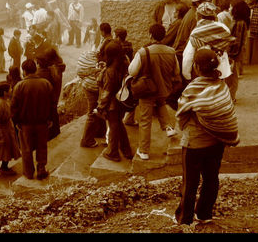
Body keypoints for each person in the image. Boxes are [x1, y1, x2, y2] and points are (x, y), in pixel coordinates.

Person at [174, 48, 239, 225]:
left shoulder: (192, 89)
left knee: (190, 183)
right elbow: (226, 112)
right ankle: (204, 213)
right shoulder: (222, 86)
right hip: (217, 143)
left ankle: (185, 219)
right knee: (211, 178)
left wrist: (188, 128)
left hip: (194, 144)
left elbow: (182, 115)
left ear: (195, 66)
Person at [128, 24, 181, 161]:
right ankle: (168, 127)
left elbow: (132, 71)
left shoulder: (143, 52)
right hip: (164, 88)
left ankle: (144, 151)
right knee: (161, 103)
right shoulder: (171, 51)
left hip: (147, 90)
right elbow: (176, 72)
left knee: (145, 120)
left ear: (150, 35)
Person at [10, 59, 53, 180]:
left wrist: (16, 121)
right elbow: (52, 103)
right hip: (42, 123)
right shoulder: (46, 83)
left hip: (25, 124)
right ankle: (41, 169)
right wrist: (49, 118)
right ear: (35, 69)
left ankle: (28, 173)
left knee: (26, 149)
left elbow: (14, 107)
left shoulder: (19, 86)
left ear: (24, 71)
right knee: (42, 146)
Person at [95, 41, 133, 162]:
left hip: (112, 105)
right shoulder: (124, 64)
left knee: (113, 126)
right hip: (121, 101)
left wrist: (100, 106)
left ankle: (113, 152)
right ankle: (126, 150)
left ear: (109, 55)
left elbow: (107, 92)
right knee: (119, 125)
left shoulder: (110, 71)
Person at [182, 2, 235, 84]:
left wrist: (186, 74)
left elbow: (188, 56)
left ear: (198, 16)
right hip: (222, 70)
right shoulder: (223, 28)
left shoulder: (196, 33)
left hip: (204, 73)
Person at [172, 0, 213, 68]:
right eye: (205, 2)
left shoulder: (192, 12)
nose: (207, 4)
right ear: (198, 3)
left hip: (182, 52)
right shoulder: (195, 16)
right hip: (184, 53)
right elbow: (193, 40)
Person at [35, 47, 66, 141]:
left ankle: (51, 134)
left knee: (49, 115)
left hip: (50, 96)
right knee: (53, 113)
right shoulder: (57, 66)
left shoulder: (50, 71)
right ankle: (55, 132)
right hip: (55, 94)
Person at [225, 0, 251, 103]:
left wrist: (231, 56)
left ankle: (231, 97)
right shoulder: (239, 22)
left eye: (231, 7)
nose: (229, 9)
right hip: (234, 53)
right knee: (231, 75)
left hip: (234, 53)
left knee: (232, 76)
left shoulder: (239, 23)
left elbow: (237, 42)